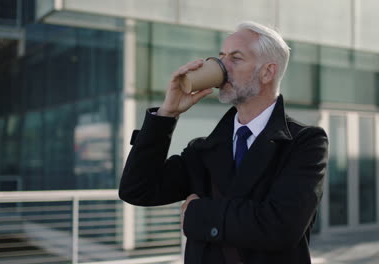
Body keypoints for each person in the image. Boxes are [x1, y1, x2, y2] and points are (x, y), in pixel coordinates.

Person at [119, 21, 329, 264]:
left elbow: (280, 227)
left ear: (267, 72)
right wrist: (166, 114)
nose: (222, 67)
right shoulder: (204, 149)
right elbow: (137, 190)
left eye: (235, 58)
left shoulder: (305, 142)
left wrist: (197, 214)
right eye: (220, 57)